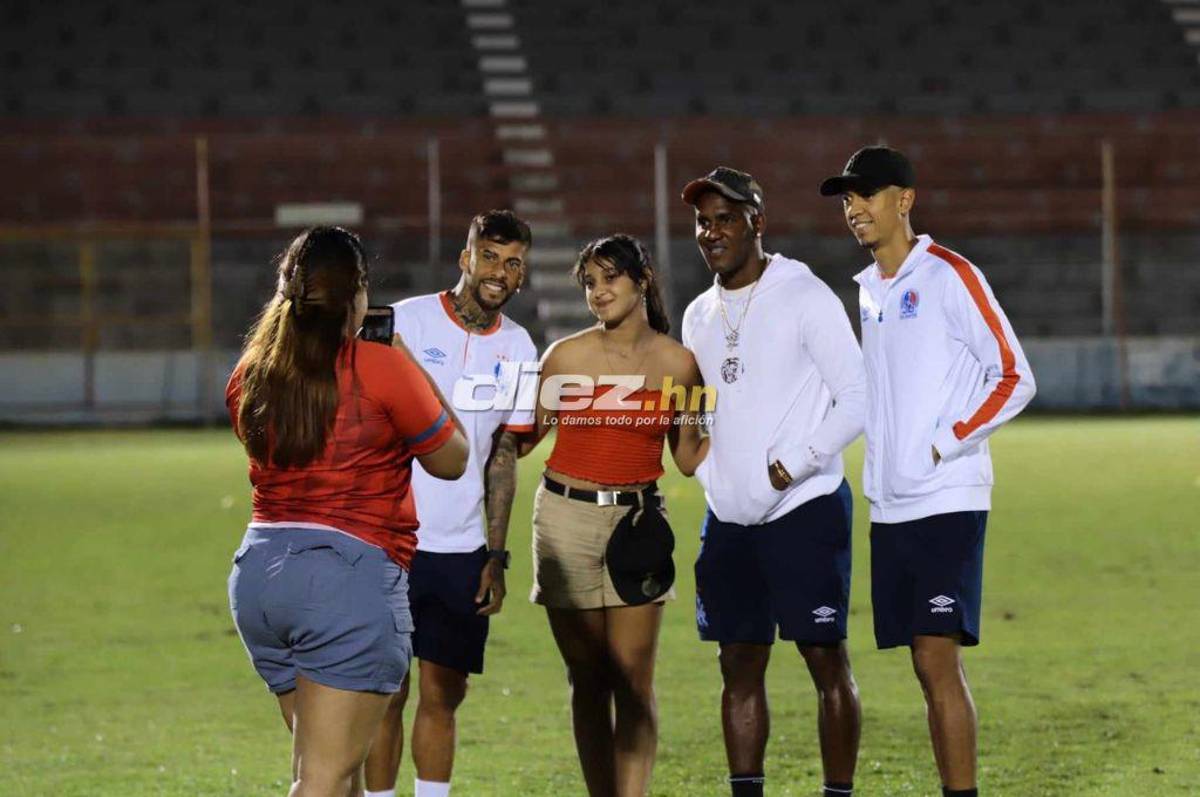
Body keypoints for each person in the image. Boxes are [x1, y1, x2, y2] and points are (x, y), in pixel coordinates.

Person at [820, 146, 1037, 797]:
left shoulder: (948, 274)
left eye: (867, 194)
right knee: (922, 660)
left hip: (947, 497)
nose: (854, 208)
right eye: (847, 198)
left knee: (937, 657)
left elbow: (1014, 375)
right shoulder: (869, 291)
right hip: (891, 505)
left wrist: (947, 441)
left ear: (905, 200)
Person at [225, 227, 469, 797]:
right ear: (357, 292)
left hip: (260, 578)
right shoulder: (379, 366)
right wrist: (406, 364)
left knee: (333, 777)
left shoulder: (251, 373)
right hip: (344, 582)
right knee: (323, 781)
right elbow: (452, 459)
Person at [680, 167, 867, 797]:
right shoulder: (698, 314)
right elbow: (700, 410)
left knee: (824, 659)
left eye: (726, 218)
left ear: (757, 221)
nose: (712, 232)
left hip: (805, 510)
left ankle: (837, 792)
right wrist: (707, 470)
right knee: (737, 665)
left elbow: (857, 398)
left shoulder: (804, 294)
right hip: (728, 521)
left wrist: (793, 463)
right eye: (703, 221)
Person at [520, 234, 708, 797]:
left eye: (610, 278)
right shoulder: (565, 357)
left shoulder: (680, 363)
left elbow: (689, 457)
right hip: (563, 520)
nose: (598, 293)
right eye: (589, 283)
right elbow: (524, 438)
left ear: (641, 280)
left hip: (637, 526)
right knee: (587, 680)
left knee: (633, 682)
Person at [363, 210, 538, 797]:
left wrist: (495, 554)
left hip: (461, 550)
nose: (500, 271)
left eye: (513, 262)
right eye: (489, 256)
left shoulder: (518, 345)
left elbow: (504, 456)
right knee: (386, 692)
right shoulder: (404, 323)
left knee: (445, 694)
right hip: (392, 543)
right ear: (465, 258)